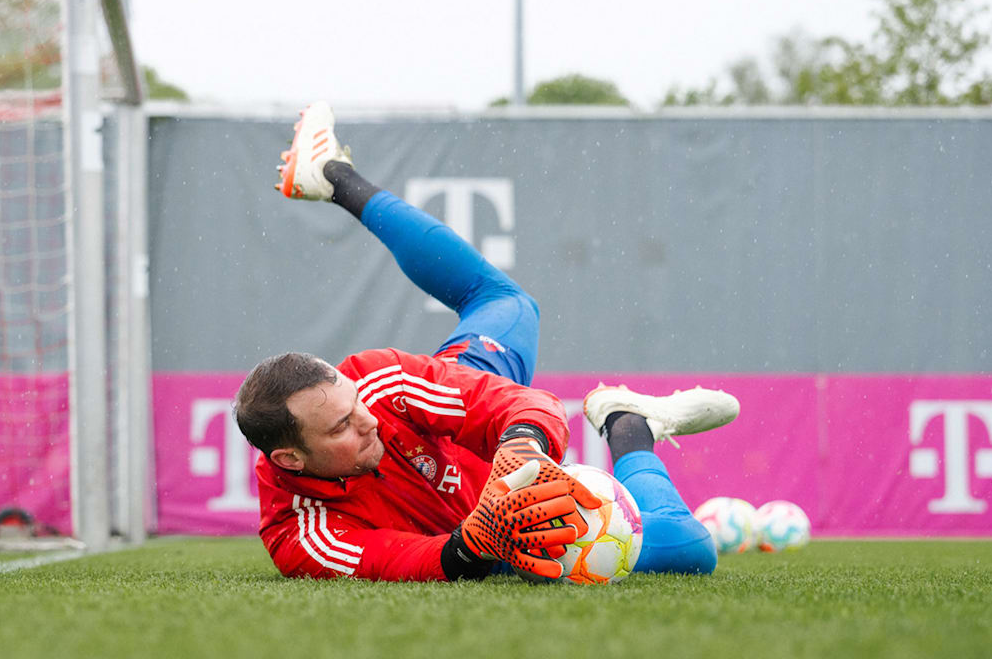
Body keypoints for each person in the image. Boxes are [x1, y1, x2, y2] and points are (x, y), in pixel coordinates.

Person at [234, 102, 738, 582]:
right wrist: (476, 542)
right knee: (688, 550)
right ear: (290, 459)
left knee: (508, 304)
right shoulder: (300, 534)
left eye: (353, 403)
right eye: (342, 426)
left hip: (487, 442)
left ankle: (335, 178)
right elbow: (409, 561)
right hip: (494, 541)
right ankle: (630, 428)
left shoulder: (376, 383)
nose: (367, 420)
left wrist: (520, 448)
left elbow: (528, 405)